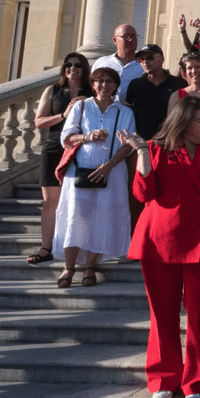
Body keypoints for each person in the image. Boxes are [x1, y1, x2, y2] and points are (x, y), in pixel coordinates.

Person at [118, 97, 200, 398]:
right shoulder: (156, 148)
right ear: (183, 122)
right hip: (161, 239)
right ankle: (163, 377)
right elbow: (143, 193)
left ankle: (199, 380)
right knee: (163, 313)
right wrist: (141, 152)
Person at [53, 67, 136, 288]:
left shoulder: (124, 111)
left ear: (115, 85)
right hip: (79, 171)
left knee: (102, 218)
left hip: (112, 172)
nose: (104, 85)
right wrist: (87, 137)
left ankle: (90, 266)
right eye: (99, 81)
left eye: (109, 81)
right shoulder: (81, 107)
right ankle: (69, 267)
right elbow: (66, 138)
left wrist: (110, 164)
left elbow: (128, 145)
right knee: (75, 217)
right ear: (92, 84)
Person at [28, 53, 93, 266]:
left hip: (80, 150)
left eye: (77, 65)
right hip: (54, 149)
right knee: (50, 201)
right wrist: (64, 115)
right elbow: (39, 122)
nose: (72, 68)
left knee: (79, 200)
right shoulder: (53, 90)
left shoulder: (91, 92)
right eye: (68, 65)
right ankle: (46, 247)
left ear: (84, 68)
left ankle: (78, 248)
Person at [124, 44, 186, 143]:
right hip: (140, 143)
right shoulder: (135, 84)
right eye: (141, 59)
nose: (145, 62)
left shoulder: (179, 84)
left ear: (162, 59)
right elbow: (127, 115)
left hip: (168, 142)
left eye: (150, 57)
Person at [92, 24, 142, 102]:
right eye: (125, 36)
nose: (130, 40)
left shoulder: (144, 65)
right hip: (104, 108)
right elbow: (91, 87)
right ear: (115, 40)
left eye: (133, 36)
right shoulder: (102, 63)